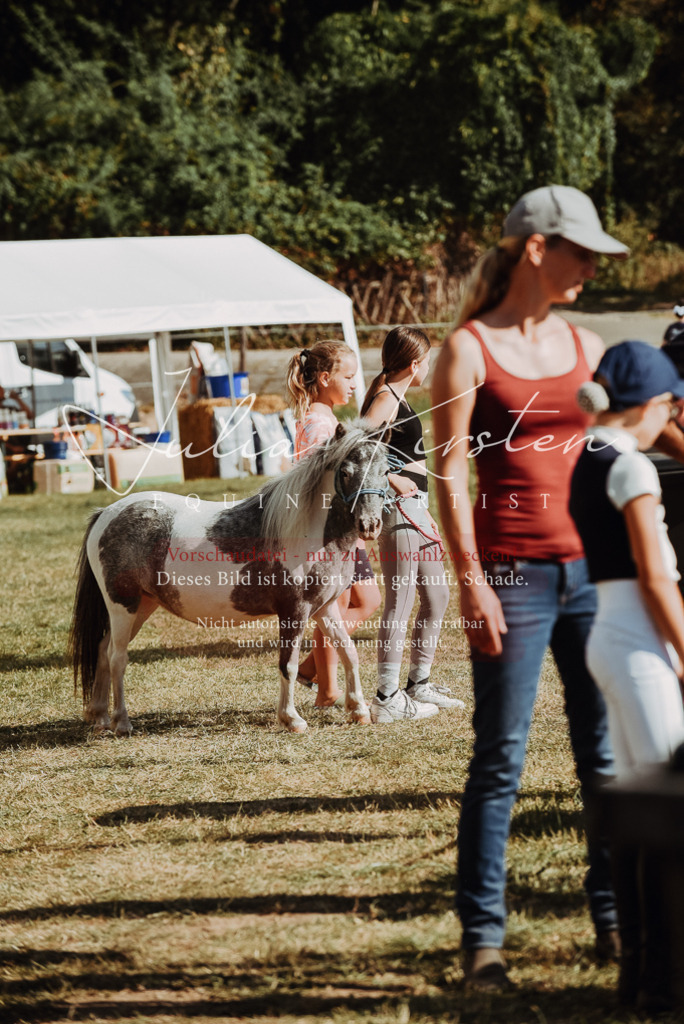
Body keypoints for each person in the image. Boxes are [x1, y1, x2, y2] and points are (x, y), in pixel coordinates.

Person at [432, 185, 629, 990]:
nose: (592, 266)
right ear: (536, 250)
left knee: (606, 759)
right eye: (580, 250)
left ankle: (618, 922)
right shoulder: (467, 348)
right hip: (509, 573)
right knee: (500, 761)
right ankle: (484, 944)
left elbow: (614, 456)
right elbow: (447, 473)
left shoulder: (587, 342)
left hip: (592, 574)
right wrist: (472, 583)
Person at [570, 341, 684, 1011]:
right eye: (670, 405)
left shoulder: (587, 452)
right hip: (640, 637)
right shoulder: (634, 468)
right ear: (649, 405)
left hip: (605, 632)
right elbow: (656, 576)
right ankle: (664, 983)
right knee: (669, 816)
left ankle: (638, 975)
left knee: (644, 812)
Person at [361, 326, 463, 723]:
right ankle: (386, 698)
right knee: (399, 604)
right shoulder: (385, 398)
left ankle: (418, 683)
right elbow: (355, 447)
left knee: (436, 598)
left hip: (416, 510)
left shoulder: (394, 396)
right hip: (397, 511)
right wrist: (390, 477)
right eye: (427, 360)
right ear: (415, 362)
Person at [286, 340, 381, 709]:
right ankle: (327, 691)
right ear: (325, 378)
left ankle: (311, 671)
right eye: (349, 376)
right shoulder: (318, 424)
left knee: (367, 601)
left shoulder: (325, 418)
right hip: (328, 536)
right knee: (334, 612)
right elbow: (316, 483)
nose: (355, 384)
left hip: (341, 534)